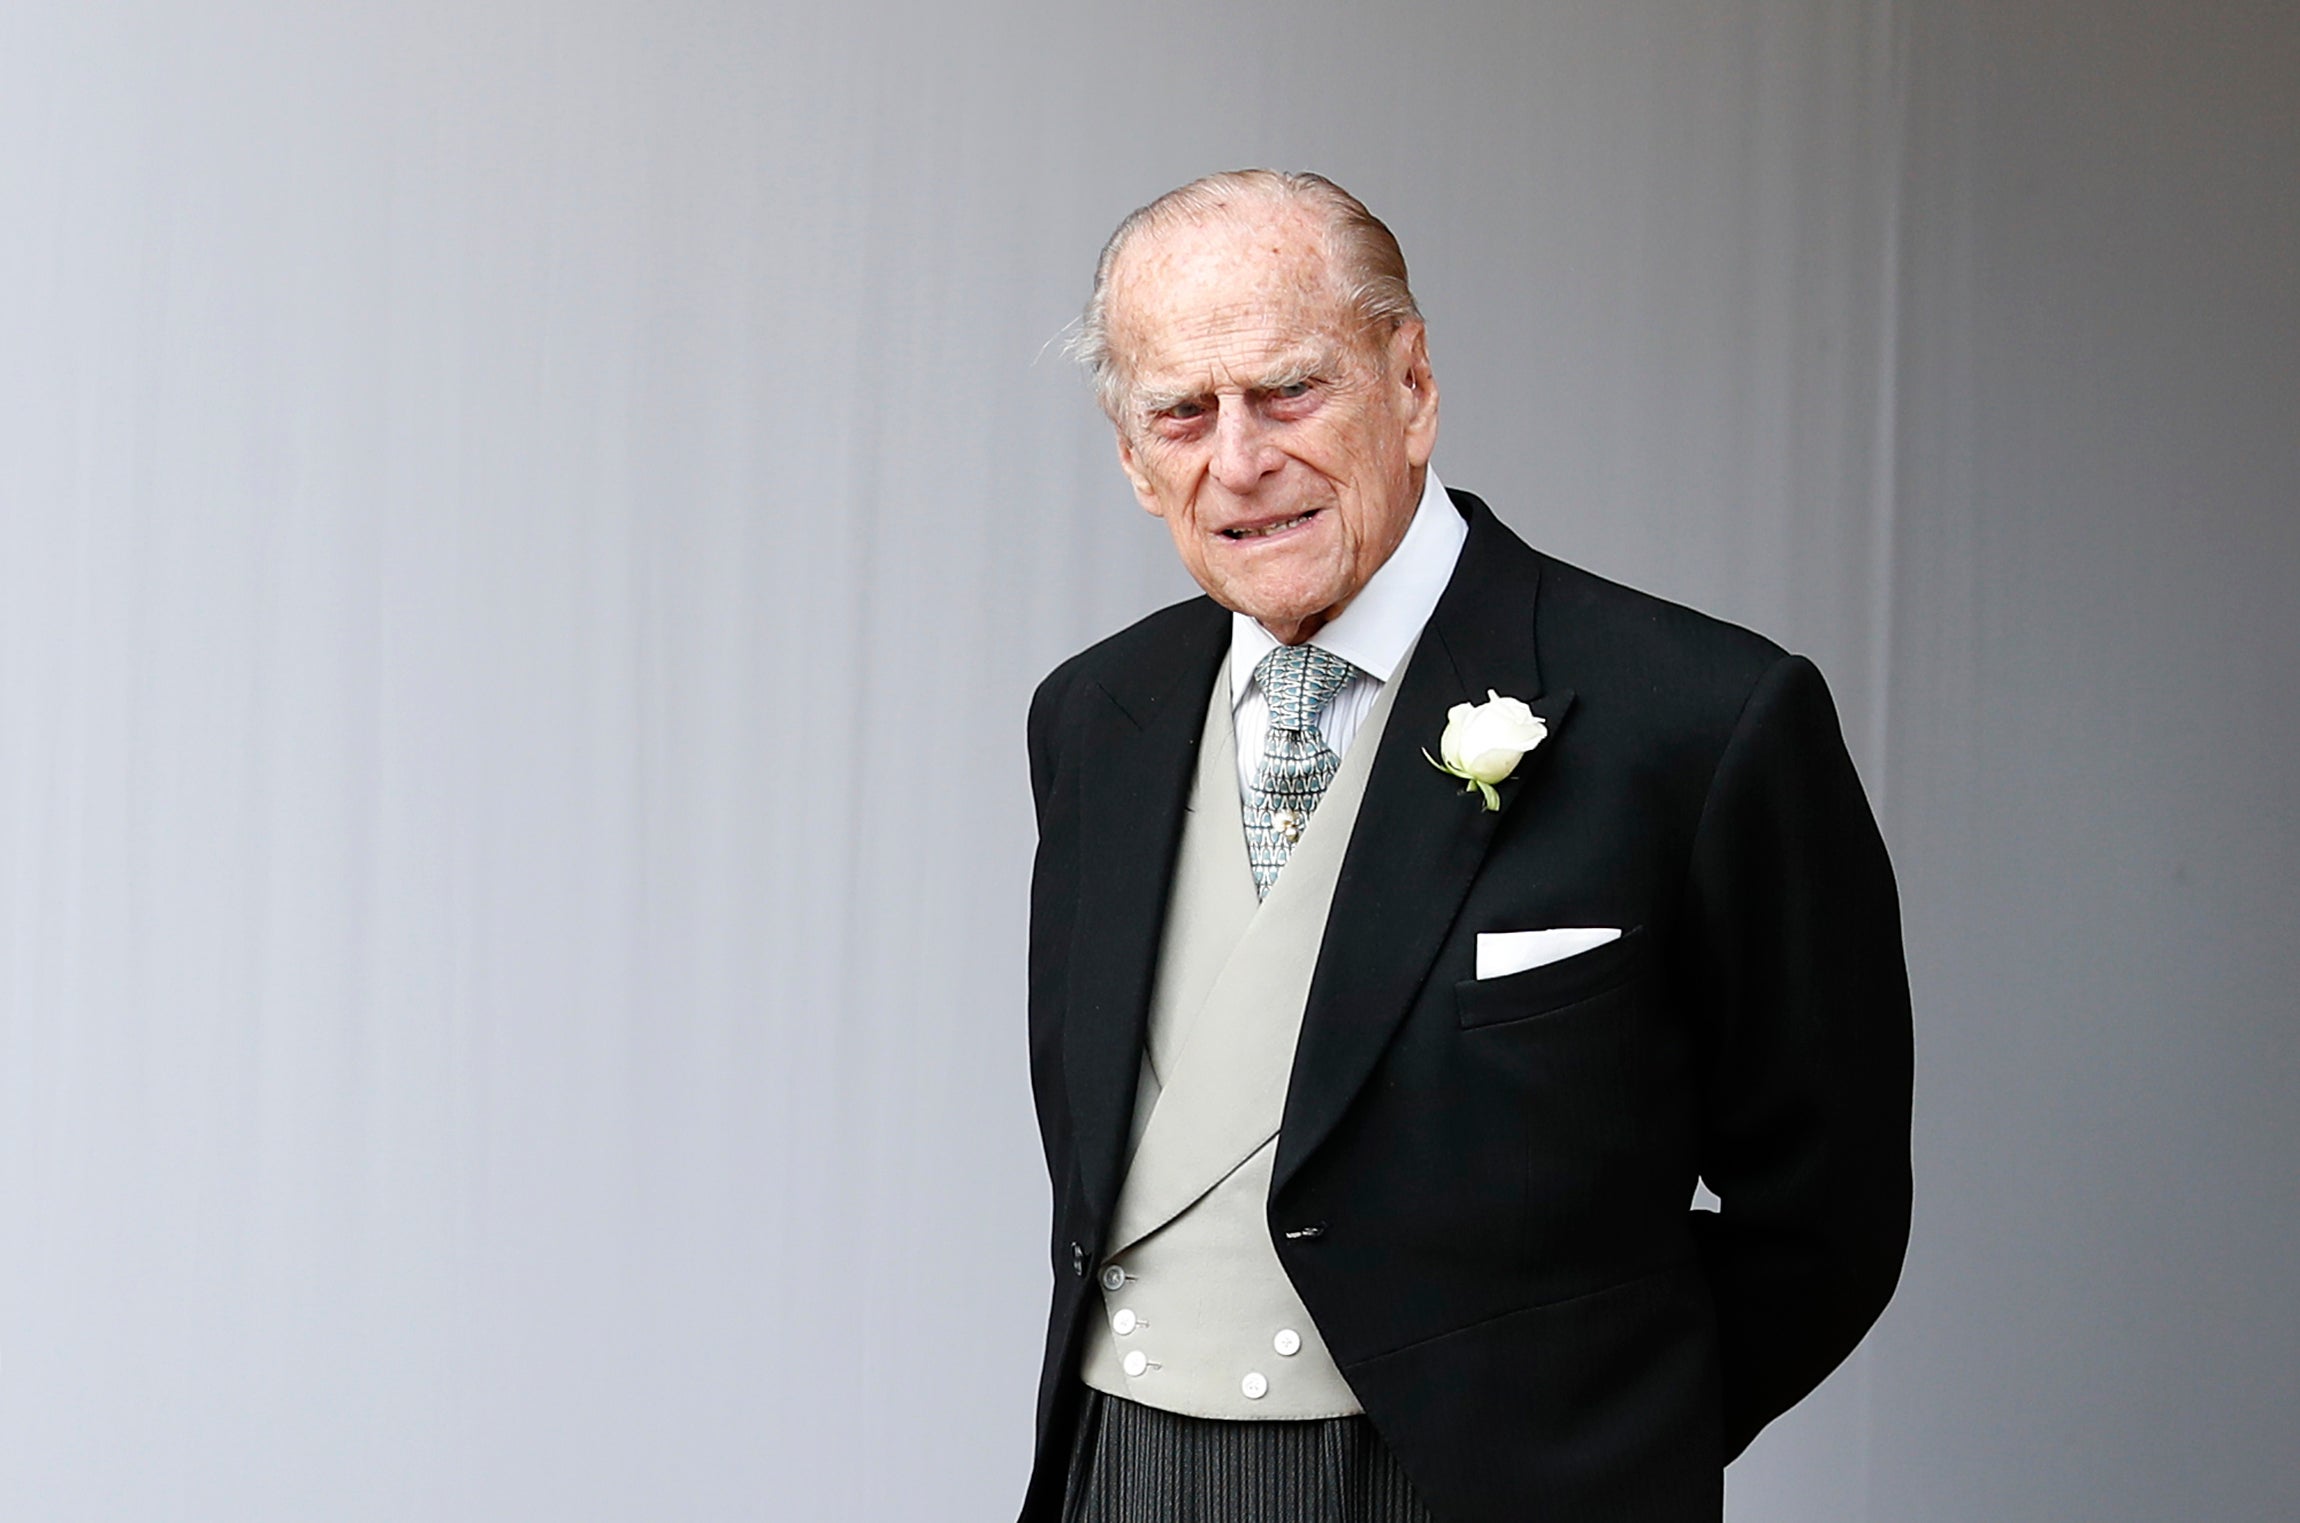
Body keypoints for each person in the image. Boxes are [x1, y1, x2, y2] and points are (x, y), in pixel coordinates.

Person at [1019, 170, 1912, 1523]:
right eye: (1184, 414)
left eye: (1290, 392)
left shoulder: (1701, 717)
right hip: (1125, 1473)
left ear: (1414, 384)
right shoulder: (1094, 717)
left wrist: (1591, 1442)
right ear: (1135, 463)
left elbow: (1828, 1215)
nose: (1240, 459)